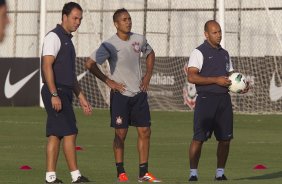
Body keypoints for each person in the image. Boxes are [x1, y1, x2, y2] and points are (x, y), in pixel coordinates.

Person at [85, 8, 161, 183]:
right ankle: (121, 172)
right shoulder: (109, 45)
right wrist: (108, 81)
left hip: (139, 94)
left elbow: (150, 53)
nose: (128, 22)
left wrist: (148, 75)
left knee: (145, 131)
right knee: (120, 134)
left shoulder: (139, 39)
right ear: (116, 24)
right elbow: (89, 64)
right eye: (124, 19)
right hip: (120, 95)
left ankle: (144, 173)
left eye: (129, 19)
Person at [186, 20, 247, 182]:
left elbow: (230, 74)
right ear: (206, 34)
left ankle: (220, 173)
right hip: (206, 100)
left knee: (225, 139)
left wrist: (240, 85)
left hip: (224, 101)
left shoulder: (225, 53)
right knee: (199, 138)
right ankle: (193, 173)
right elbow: (191, 76)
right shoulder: (199, 52)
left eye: (219, 32)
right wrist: (215, 80)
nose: (218, 35)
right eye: (214, 32)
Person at [41, 2, 92, 183]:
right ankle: (76, 176)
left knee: (56, 134)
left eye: (80, 19)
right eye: (75, 18)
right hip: (56, 91)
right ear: (64, 16)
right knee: (70, 132)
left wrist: (81, 97)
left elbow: (70, 76)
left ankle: (50, 177)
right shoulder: (54, 37)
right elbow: (47, 65)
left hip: (64, 91)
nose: (78, 22)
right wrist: (54, 94)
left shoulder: (68, 40)